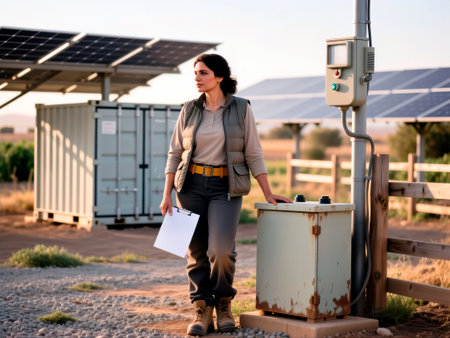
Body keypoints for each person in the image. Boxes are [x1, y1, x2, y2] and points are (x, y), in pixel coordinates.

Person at [159, 53, 291, 336]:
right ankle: (201, 308)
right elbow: (175, 154)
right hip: (189, 186)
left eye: (203, 73)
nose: (196, 77)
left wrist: (268, 192)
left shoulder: (242, 109)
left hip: (225, 188)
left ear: (219, 77)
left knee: (221, 251)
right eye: (195, 73)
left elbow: (253, 153)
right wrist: (166, 194)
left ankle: (223, 302)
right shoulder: (189, 109)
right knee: (195, 252)